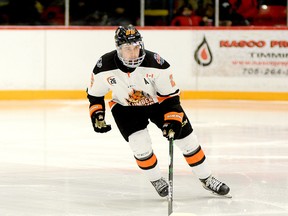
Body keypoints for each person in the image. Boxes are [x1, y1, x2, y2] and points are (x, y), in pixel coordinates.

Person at [87, 24, 231, 198]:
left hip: (159, 105)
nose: (133, 53)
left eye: (136, 47)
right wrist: (97, 114)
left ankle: (207, 179)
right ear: (118, 49)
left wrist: (173, 119)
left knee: (187, 141)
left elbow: (171, 97)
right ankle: (156, 179)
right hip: (125, 109)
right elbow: (95, 94)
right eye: (127, 49)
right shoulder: (104, 66)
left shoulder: (156, 63)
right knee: (140, 146)